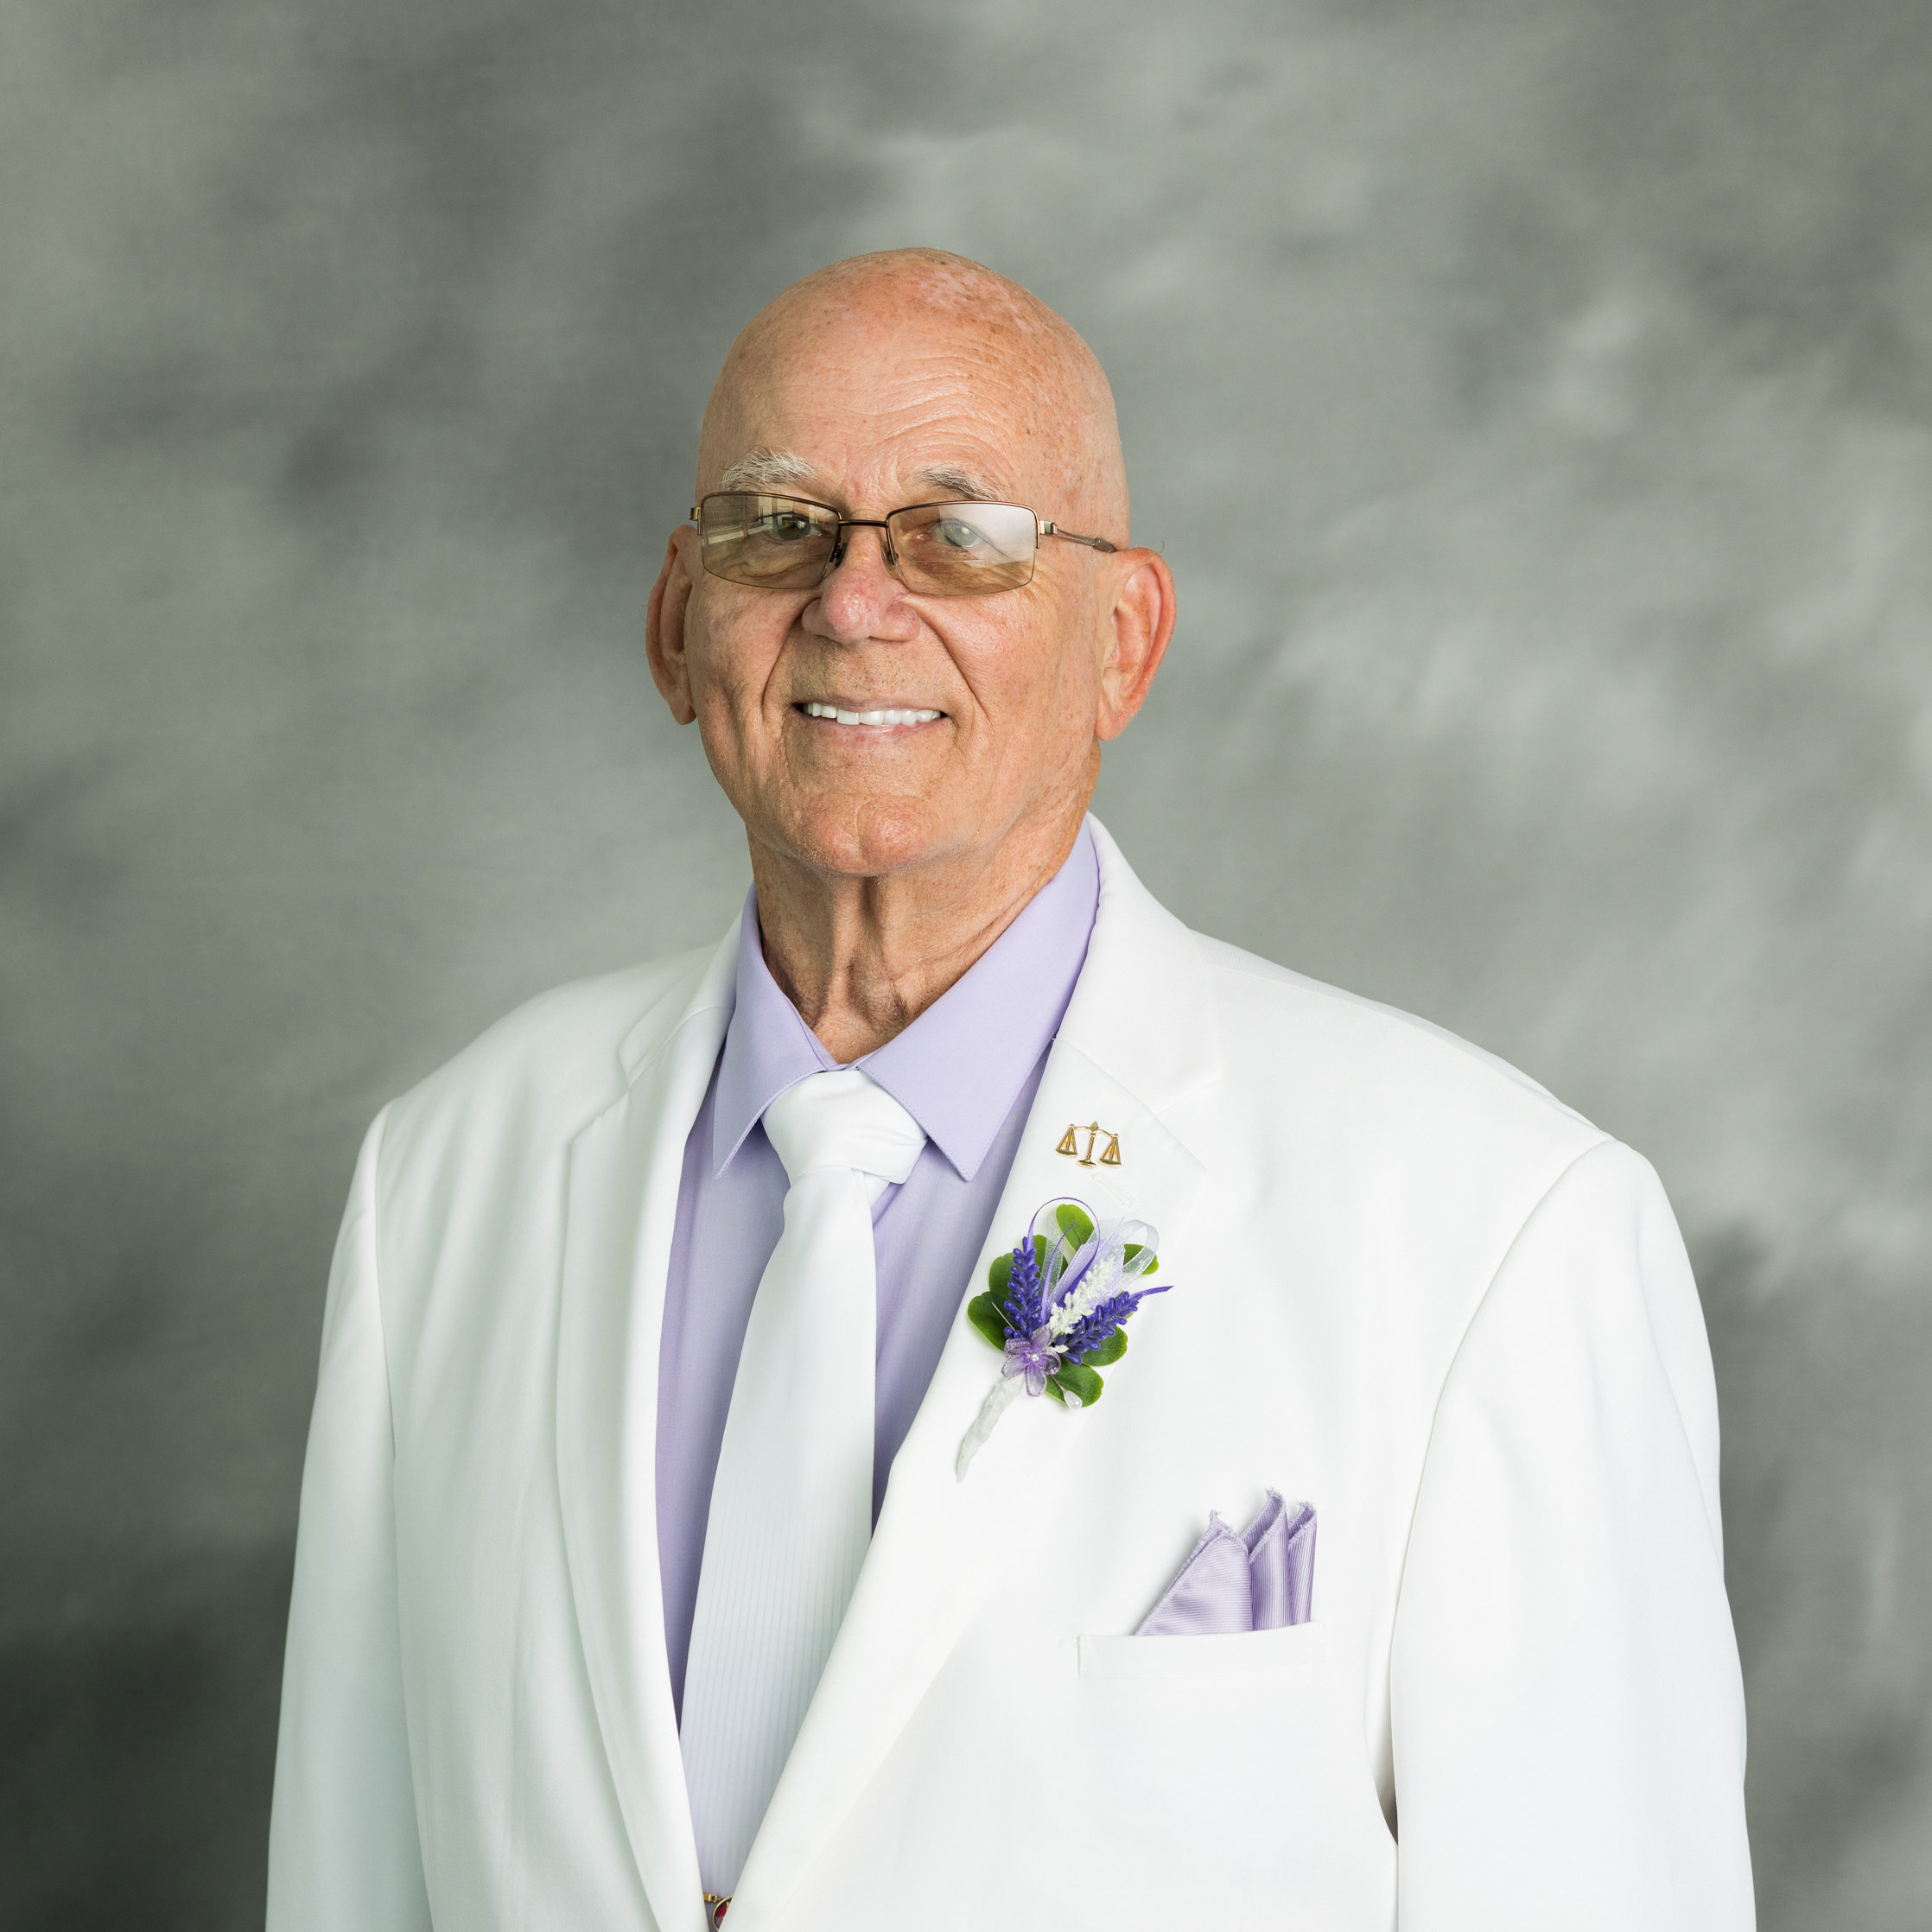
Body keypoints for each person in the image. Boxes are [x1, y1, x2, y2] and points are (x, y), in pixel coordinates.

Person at [266, 249, 1754, 1931]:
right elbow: (349, 1883)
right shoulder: (443, 1179)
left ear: (1122, 640)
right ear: (676, 626)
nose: (851, 603)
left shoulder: (1496, 1230)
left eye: (958, 536)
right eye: (777, 526)